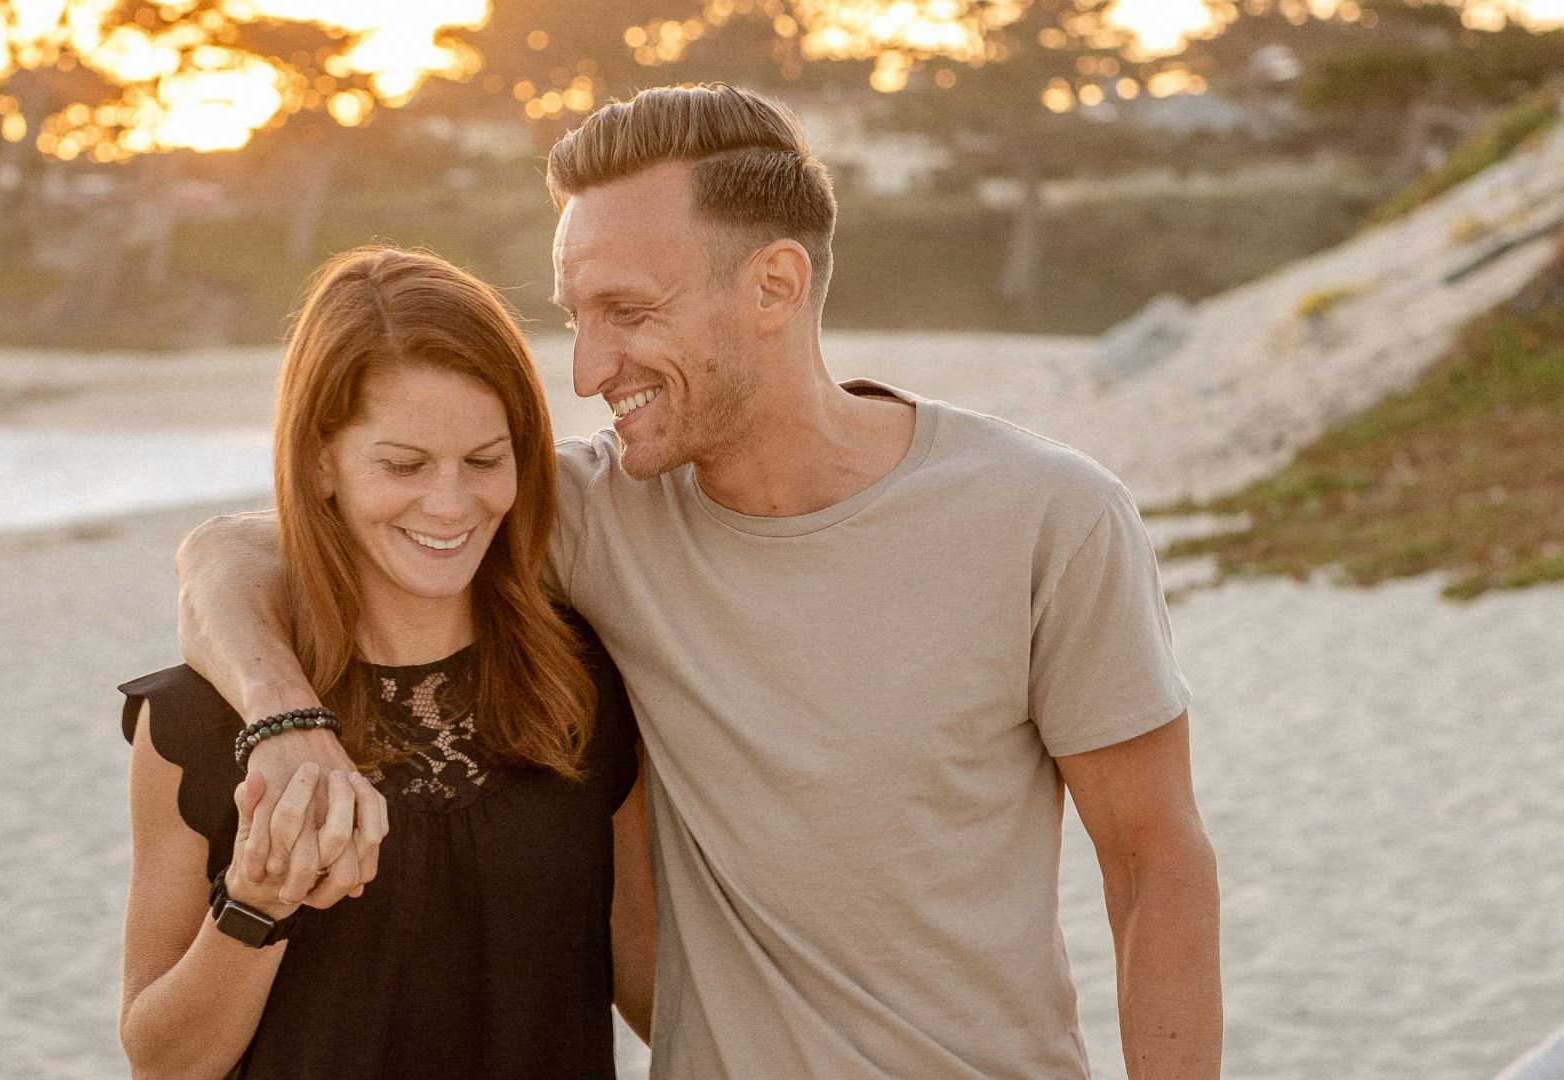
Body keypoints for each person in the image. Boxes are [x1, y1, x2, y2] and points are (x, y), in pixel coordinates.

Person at [174, 84, 1222, 1078]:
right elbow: (230, 551)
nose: (587, 370)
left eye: (627, 311)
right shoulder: (591, 514)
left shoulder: (1050, 516)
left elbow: (1153, 866)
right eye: (575, 315)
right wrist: (284, 718)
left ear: (774, 286)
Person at [116, 247, 656, 1080]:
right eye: (403, 465)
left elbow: (657, 994)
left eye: (485, 459)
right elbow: (163, 1062)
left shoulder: (586, 688)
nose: (450, 504)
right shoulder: (193, 723)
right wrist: (257, 906)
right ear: (322, 462)